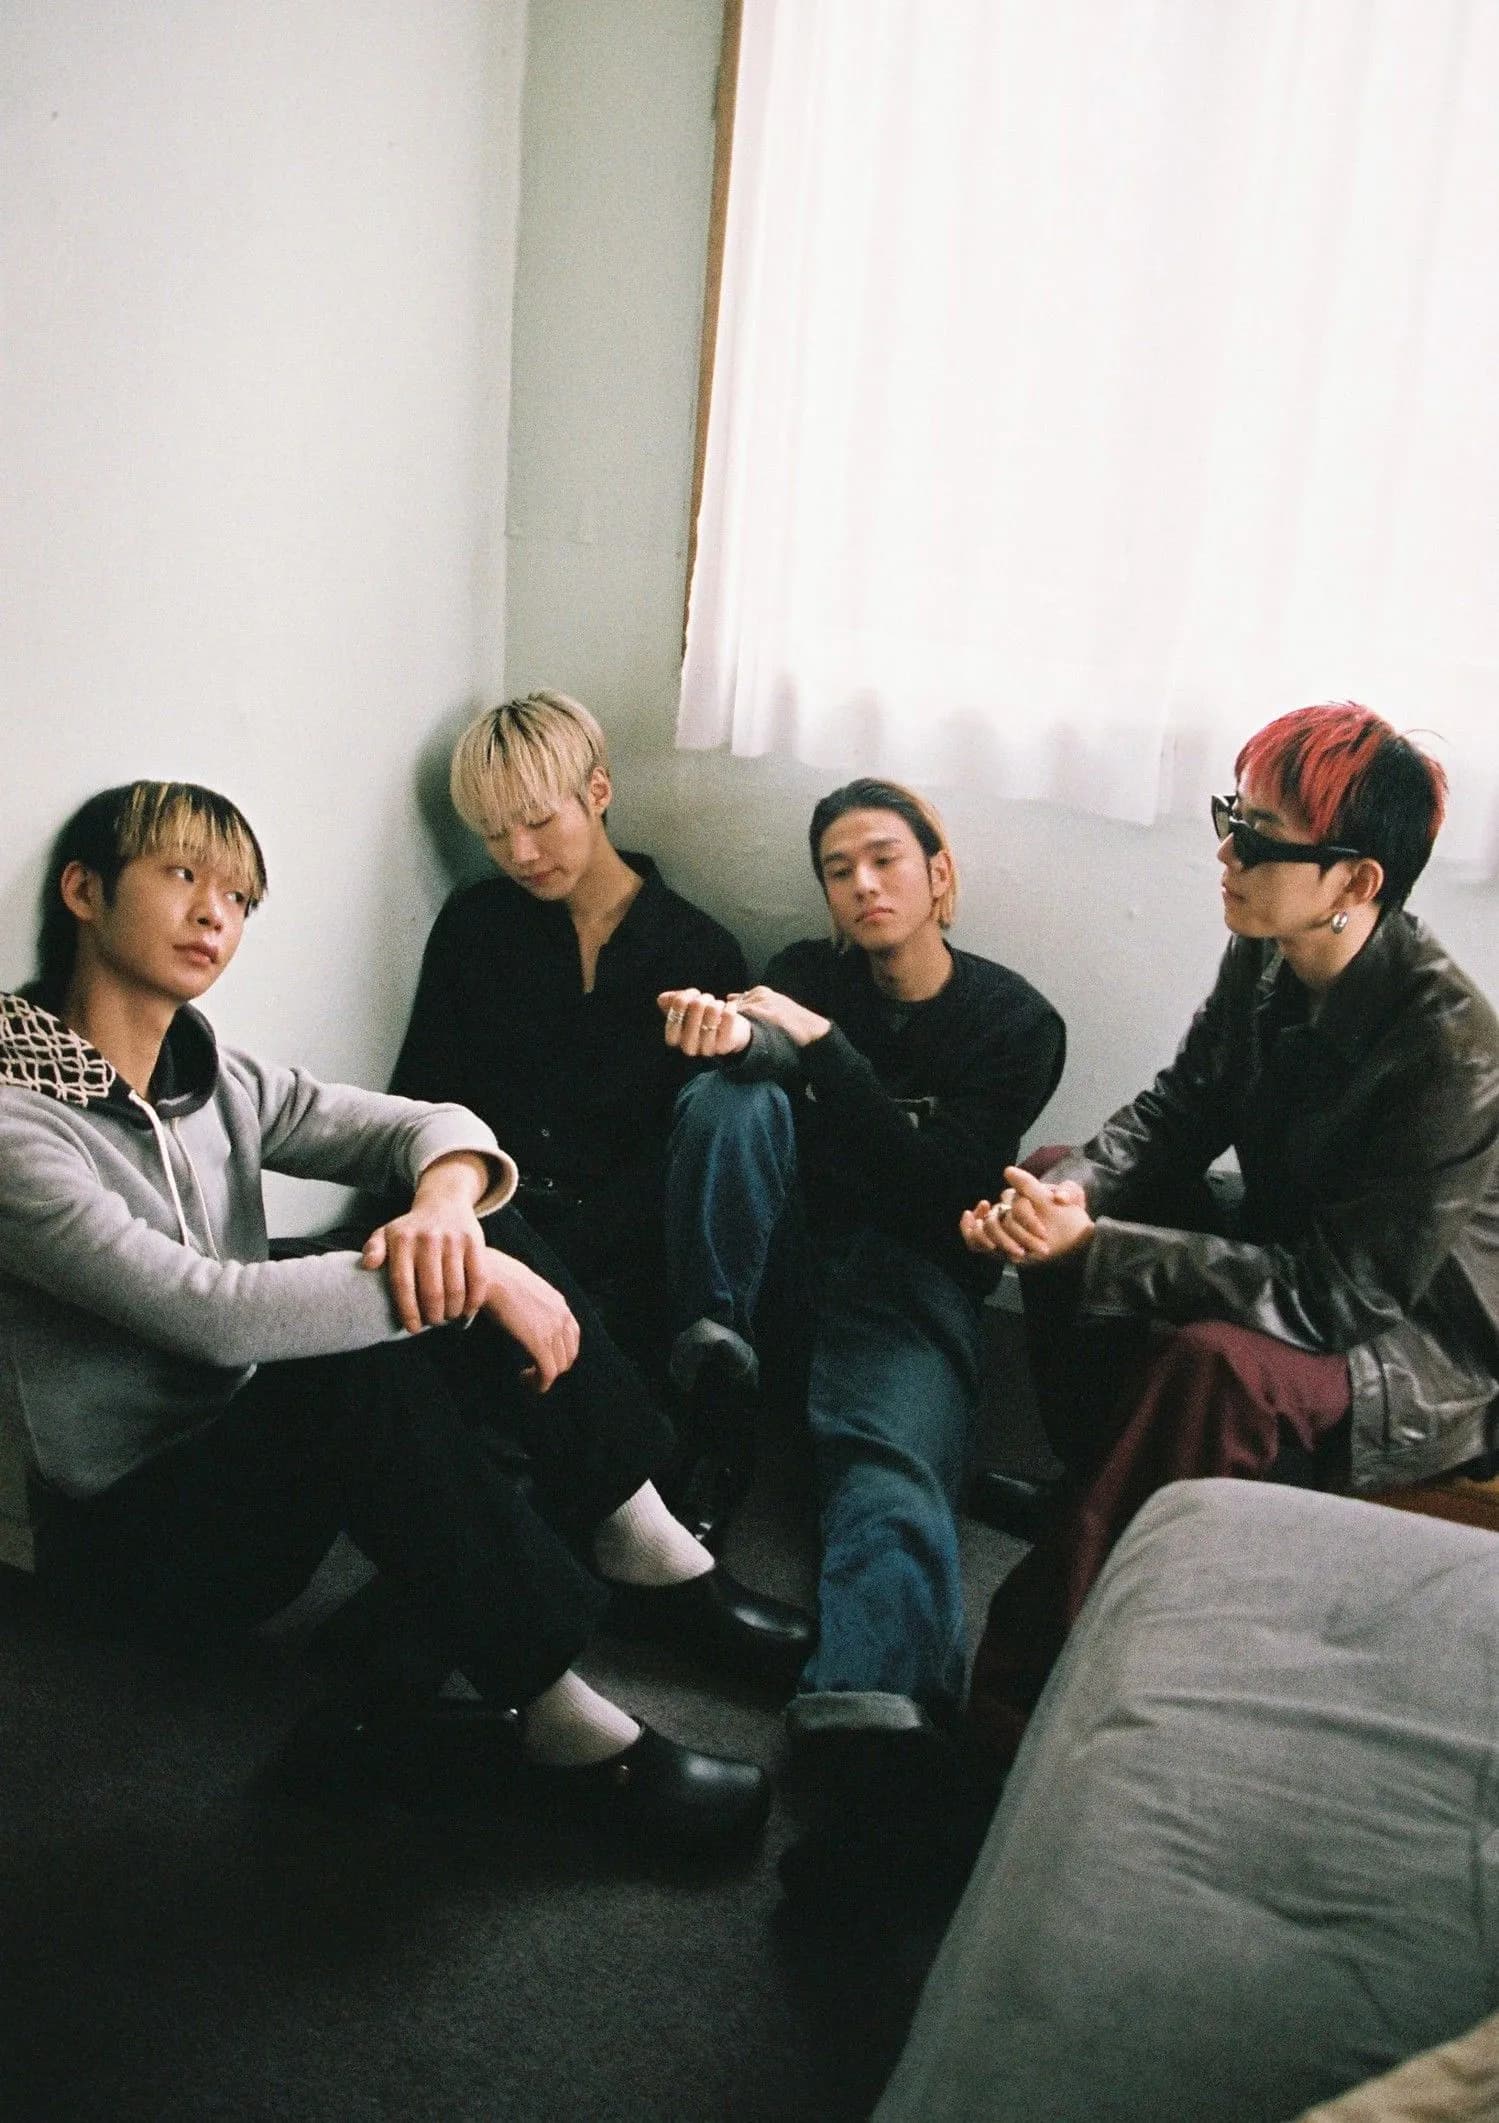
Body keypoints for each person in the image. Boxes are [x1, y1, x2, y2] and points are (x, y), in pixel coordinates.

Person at [0, 780, 813, 1857]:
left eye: (238, 897)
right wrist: (470, 1277)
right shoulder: (18, 1129)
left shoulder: (211, 1073)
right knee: (363, 1341)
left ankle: (648, 1551)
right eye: (183, 875)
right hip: (136, 1543)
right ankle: (566, 1732)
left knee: (460, 1221)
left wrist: (446, 1213)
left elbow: (433, 1124)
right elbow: (207, 1315)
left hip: (246, 1464)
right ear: (84, 891)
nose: (214, 915)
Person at [961, 702, 1499, 1770]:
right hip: (1298, 1245)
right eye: (1230, 815)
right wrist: (1063, 1196)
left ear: (1354, 881)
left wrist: (1091, 1248)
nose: (1225, 852)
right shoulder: (1265, 950)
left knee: (1211, 1365)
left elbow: (1337, 1299)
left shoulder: (1453, 1051)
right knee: (1071, 1175)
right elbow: (1179, 1108)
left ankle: (1018, 1703)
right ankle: (1096, 1488)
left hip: (1413, 1338)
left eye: (1257, 837)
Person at [657, 776, 1066, 1911]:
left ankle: (879, 1734)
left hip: (909, 1281)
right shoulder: (801, 971)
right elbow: (760, 1073)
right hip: (781, 1268)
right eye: (838, 870)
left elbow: (941, 1184)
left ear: (941, 875)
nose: (862, 884)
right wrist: (739, 1039)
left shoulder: (1015, 1021)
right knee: (727, 1102)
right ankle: (714, 1360)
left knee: (887, 1474)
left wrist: (823, 1049)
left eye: (884, 858)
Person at [390, 691, 747, 1384]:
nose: (520, 853)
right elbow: (424, 1095)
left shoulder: (697, 951)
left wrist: (572, 1270)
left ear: (598, 791)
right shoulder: (476, 925)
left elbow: (683, 1159)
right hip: (490, 1221)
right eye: (494, 833)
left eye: (537, 820)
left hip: (630, 1257)